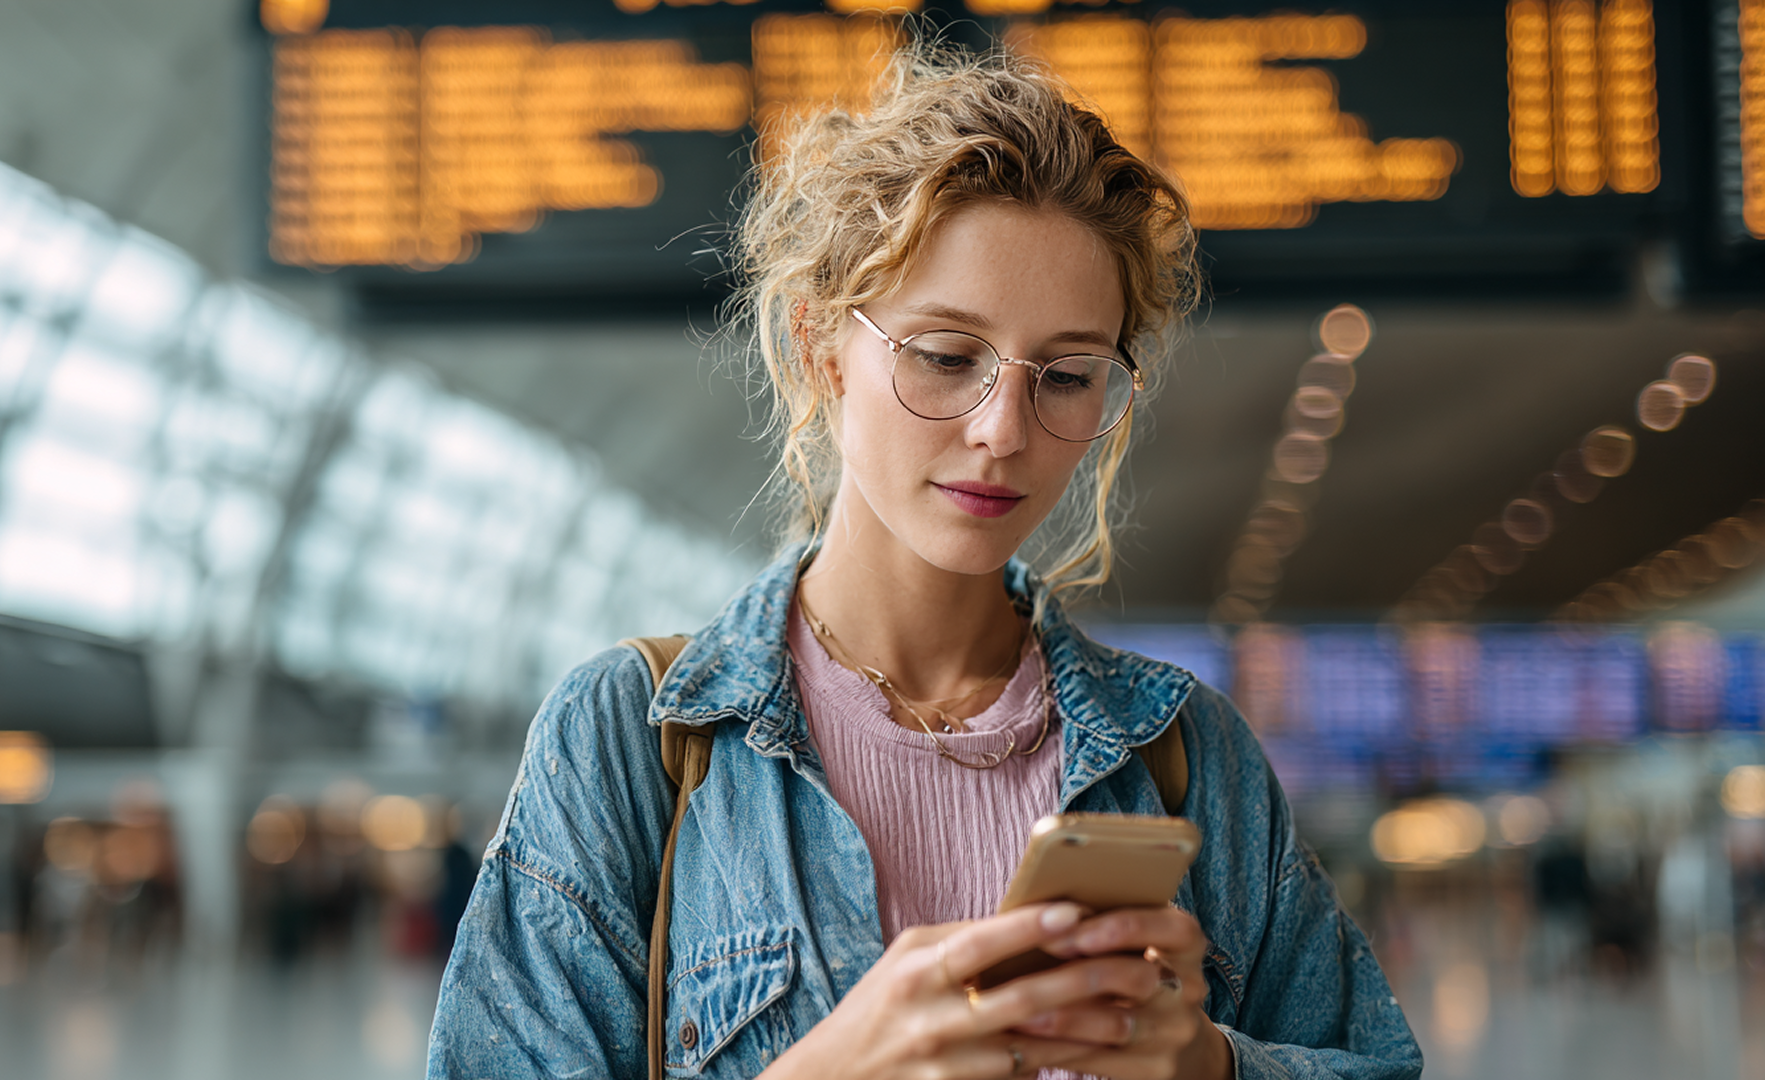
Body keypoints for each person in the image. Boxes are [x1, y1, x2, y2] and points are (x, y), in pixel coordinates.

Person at [427, 44, 1421, 1080]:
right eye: (947, 357)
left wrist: (1209, 1066)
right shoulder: (635, 742)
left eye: (1069, 375)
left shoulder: (1186, 758)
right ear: (821, 346)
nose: (1003, 429)